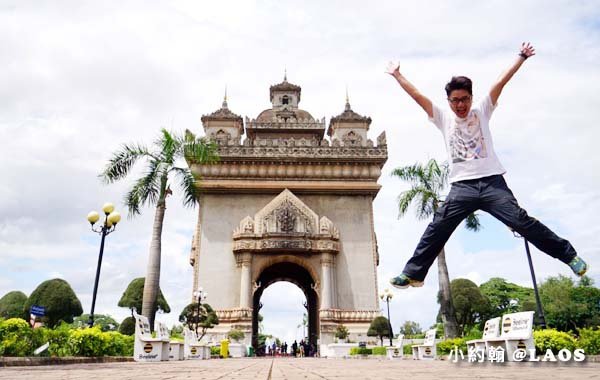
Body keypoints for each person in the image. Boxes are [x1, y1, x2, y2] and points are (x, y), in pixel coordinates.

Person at [385, 42, 588, 288]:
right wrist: (397, 75)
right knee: (438, 226)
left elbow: (500, 83)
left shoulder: (482, 110)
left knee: (521, 221)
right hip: (462, 187)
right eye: (455, 100)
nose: (460, 105)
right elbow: (418, 96)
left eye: (465, 99)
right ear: (448, 101)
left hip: (492, 183)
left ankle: (569, 256)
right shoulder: (442, 117)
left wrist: (521, 58)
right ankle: (413, 273)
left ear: (472, 97)